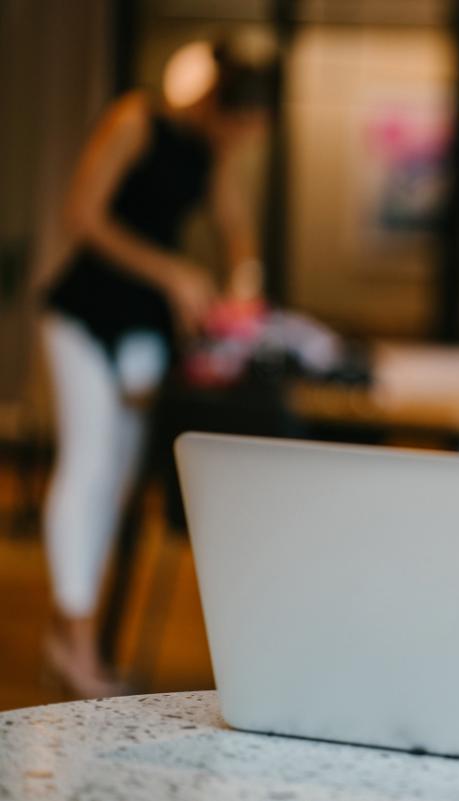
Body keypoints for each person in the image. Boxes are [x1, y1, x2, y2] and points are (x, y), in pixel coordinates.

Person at [38, 36, 275, 698]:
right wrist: (171, 271)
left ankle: (74, 626)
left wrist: (242, 284)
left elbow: (237, 232)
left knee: (116, 477)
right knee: (85, 465)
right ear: (216, 102)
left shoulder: (211, 151)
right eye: (240, 126)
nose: (241, 139)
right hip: (83, 314)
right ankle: (76, 641)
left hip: (146, 331)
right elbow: (81, 216)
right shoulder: (134, 120)